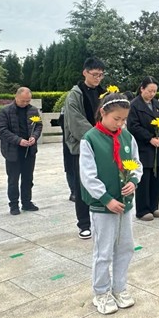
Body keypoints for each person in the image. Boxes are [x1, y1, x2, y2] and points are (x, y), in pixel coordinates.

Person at [79, 93, 142, 315]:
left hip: (125, 205)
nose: (120, 123)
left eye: (123, 119)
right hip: (103, 207)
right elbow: (88, 176)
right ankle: (101, 292)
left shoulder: (127, 137)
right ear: (103, 113)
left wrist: (133, 181)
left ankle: (119, 288)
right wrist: (107, 199)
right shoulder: (90, 139)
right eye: (116, 119)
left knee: (125, 247)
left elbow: (136, 164)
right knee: (103, 251)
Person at [63, 57, 106, 239]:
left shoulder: (104, 93)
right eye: (95, 74)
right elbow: (76, 121)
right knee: (82, 186)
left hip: (104, 145)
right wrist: (97, 137)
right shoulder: (75, 95)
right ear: (85, 72)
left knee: (101, 181)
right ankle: (84, 223)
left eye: (101, 75)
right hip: (82, 145)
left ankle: (100, 218)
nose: (98, 78)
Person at [127, 76, 159, 221]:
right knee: (144, 179)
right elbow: (133, 126)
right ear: (142, 89)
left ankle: (154, 206)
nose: (152, 94)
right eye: (149, 91)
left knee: (157, 178)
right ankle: (143, 209)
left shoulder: (157, 104)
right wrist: (149, 138)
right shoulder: (134, 105)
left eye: (154, 91)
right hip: (143, 147)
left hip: (157, 147)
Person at [0, 87, 42, 215]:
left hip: (29, 150)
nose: (25, 103)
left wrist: (34, 137)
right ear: (16, 97)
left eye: (28, 101)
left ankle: (27, 202)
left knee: (28, 178)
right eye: (23, 101)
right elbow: (2, 130)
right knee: (13, 179)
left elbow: (38, 126)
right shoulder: (5, 111)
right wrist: (18, 140)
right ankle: (13, 205)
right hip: (12, 150)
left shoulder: (33, 110)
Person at [58, 106, 77, 202]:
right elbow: (62, 123)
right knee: (70, 167)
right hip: (69, 141)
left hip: (82, 141)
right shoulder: (66, 108)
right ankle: (73, 191)